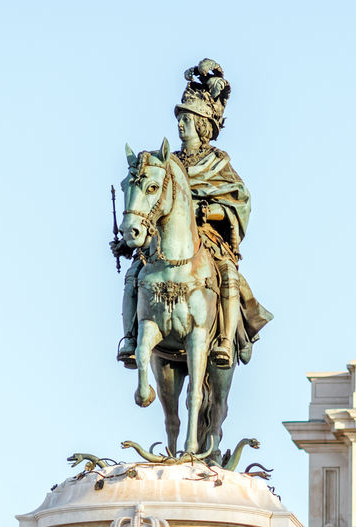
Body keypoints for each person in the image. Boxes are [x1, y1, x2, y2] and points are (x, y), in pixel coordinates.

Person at [115, 60, 270, 369]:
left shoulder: (217, 162)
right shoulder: (166, 162)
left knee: (228, 274)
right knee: (134, 274)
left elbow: (239, 202)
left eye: (186, 119)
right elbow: (151, 202)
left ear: (201, 124)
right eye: (180, 119)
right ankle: (130, 338)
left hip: (207, 237)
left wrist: (209, 211)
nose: (180, 125)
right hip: (164, 240)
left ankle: (226, 339)